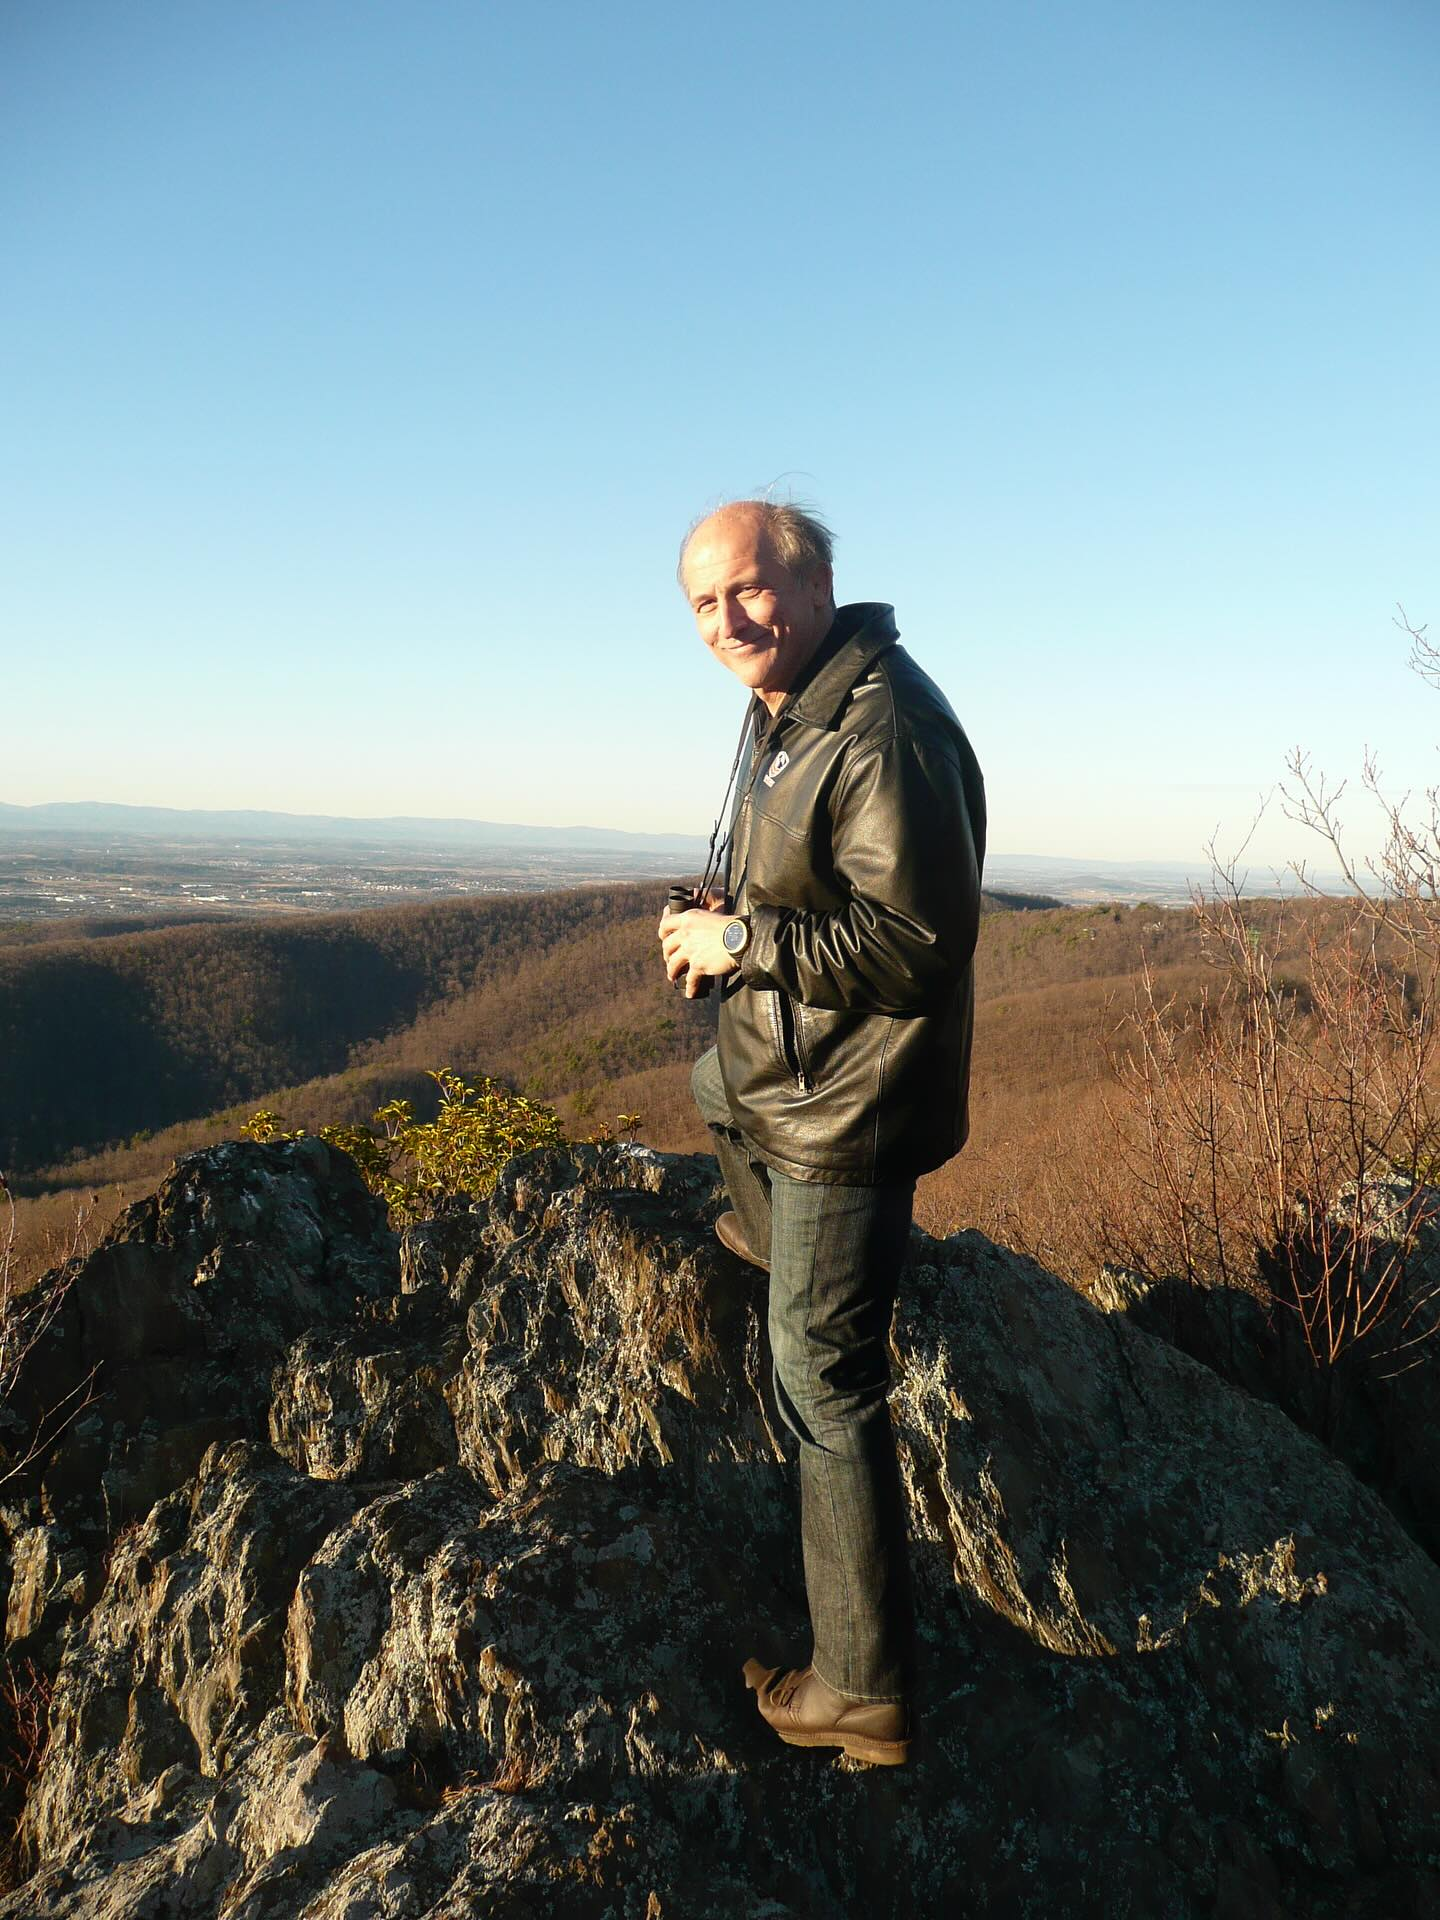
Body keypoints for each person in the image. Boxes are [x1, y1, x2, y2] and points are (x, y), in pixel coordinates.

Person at [658, 499, 986, 1767]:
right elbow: (815, 884)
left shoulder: (884, 726)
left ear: (811, 583)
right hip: (787, 1071)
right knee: (711, 1089)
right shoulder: (793, 710)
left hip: (847, 1105)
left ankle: (861, 1687)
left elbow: (914, 944)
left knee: (821, 1382)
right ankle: (769, 1229)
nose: (726, 620)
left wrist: (743, 941)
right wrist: (726, 914)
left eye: (747, 589)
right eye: (702, 602)